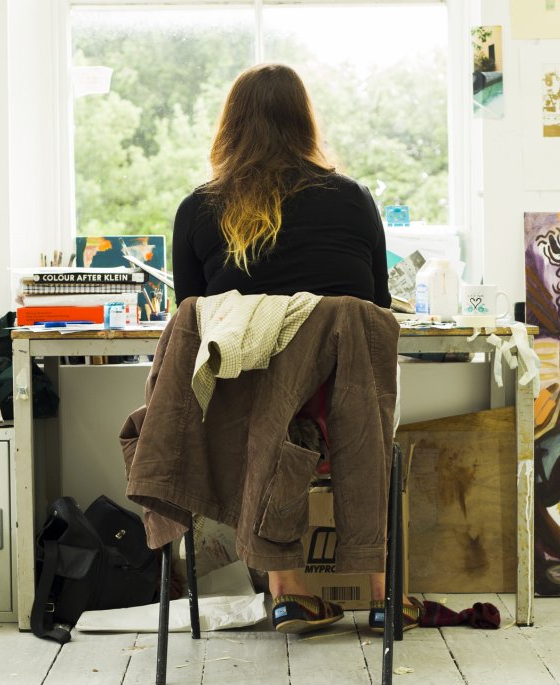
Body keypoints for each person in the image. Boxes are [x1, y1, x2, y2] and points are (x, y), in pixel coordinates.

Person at [171, 63, 416, 634]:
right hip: (343, 421)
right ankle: (385, 593)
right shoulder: (353, 200)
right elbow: (376, 308)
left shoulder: (198, 211)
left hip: (248, 428)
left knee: (254, 414)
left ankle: (287, 590)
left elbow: (191, 321)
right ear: (305, 123)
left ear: (228, 128)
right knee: (354, 373)